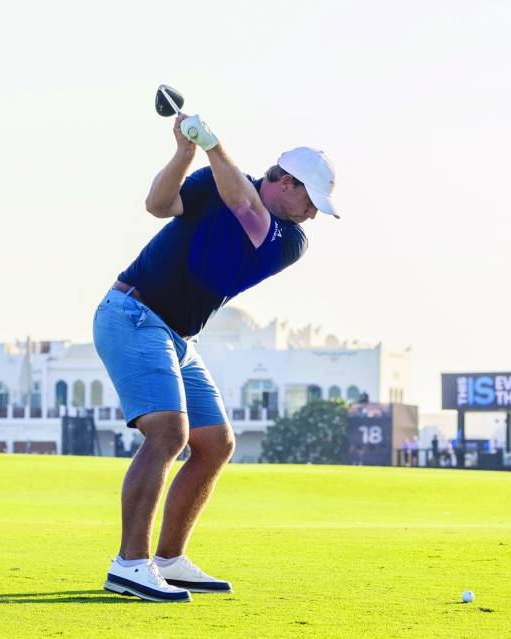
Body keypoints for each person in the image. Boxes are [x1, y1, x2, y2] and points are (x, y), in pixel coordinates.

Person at [93, 112, 338, 602]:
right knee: (169, 432)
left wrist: (211, 142)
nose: (313, 214)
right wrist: (185, 152)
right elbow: (157, 205)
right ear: (286, 182)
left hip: (178, 336)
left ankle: (169, 560)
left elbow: (244, 204)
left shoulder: (291, 239)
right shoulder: (211, 181)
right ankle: (130, 564)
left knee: (216, 443)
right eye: (311, 200)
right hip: (133, 313)